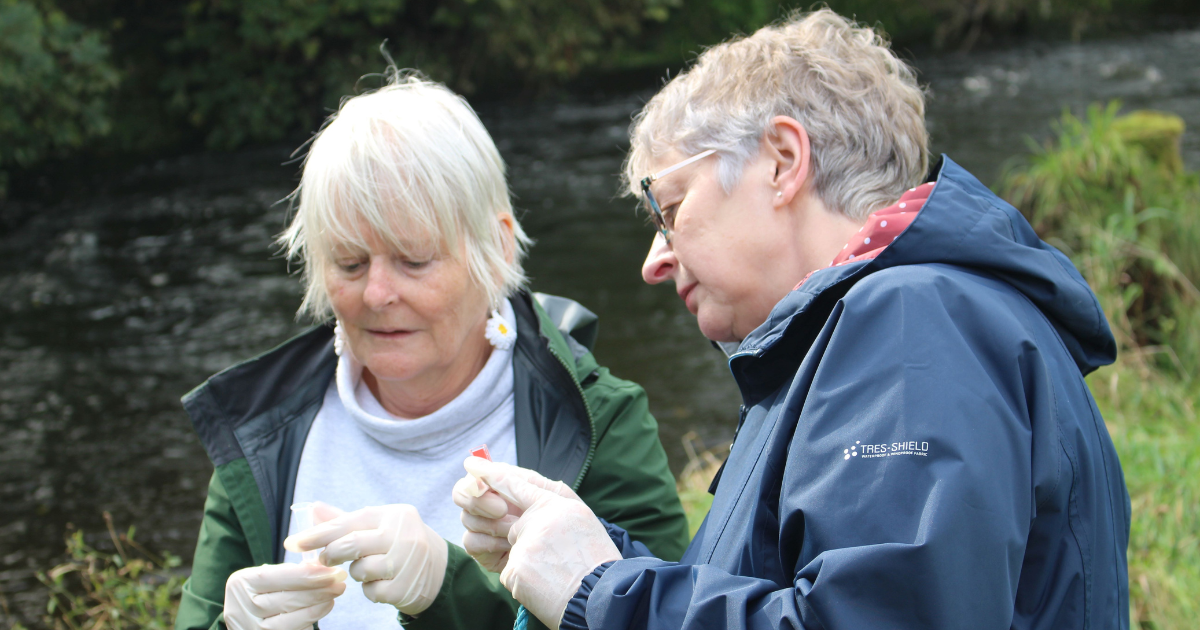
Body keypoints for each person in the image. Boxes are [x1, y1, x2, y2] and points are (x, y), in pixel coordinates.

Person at [455, 9, 1131, 630]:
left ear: (782, 161)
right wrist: (578, 545)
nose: (653, 262)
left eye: (669, 209)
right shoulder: (878, 330)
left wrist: (596, 588)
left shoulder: (911, 324)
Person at [173, 73, 689, 630]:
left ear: (496, 247)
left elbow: (652, 617)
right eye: (349, 263)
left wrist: (449, 589)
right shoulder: (260, 429)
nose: (376, 293)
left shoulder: (597, 421)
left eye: (414, 260)